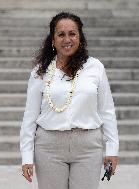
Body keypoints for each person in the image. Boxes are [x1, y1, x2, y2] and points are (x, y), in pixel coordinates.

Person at [20, 12, 119, 189]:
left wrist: (112, 149)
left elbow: (107, 111)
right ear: (53, 40)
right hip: (49, 148)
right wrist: (27, 157)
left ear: (80, 37)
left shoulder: (95, 67)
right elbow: (30, 117)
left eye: (72, 33)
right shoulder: (39, 73)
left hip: (88, 148)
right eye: (61, 34)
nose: (67, 39)